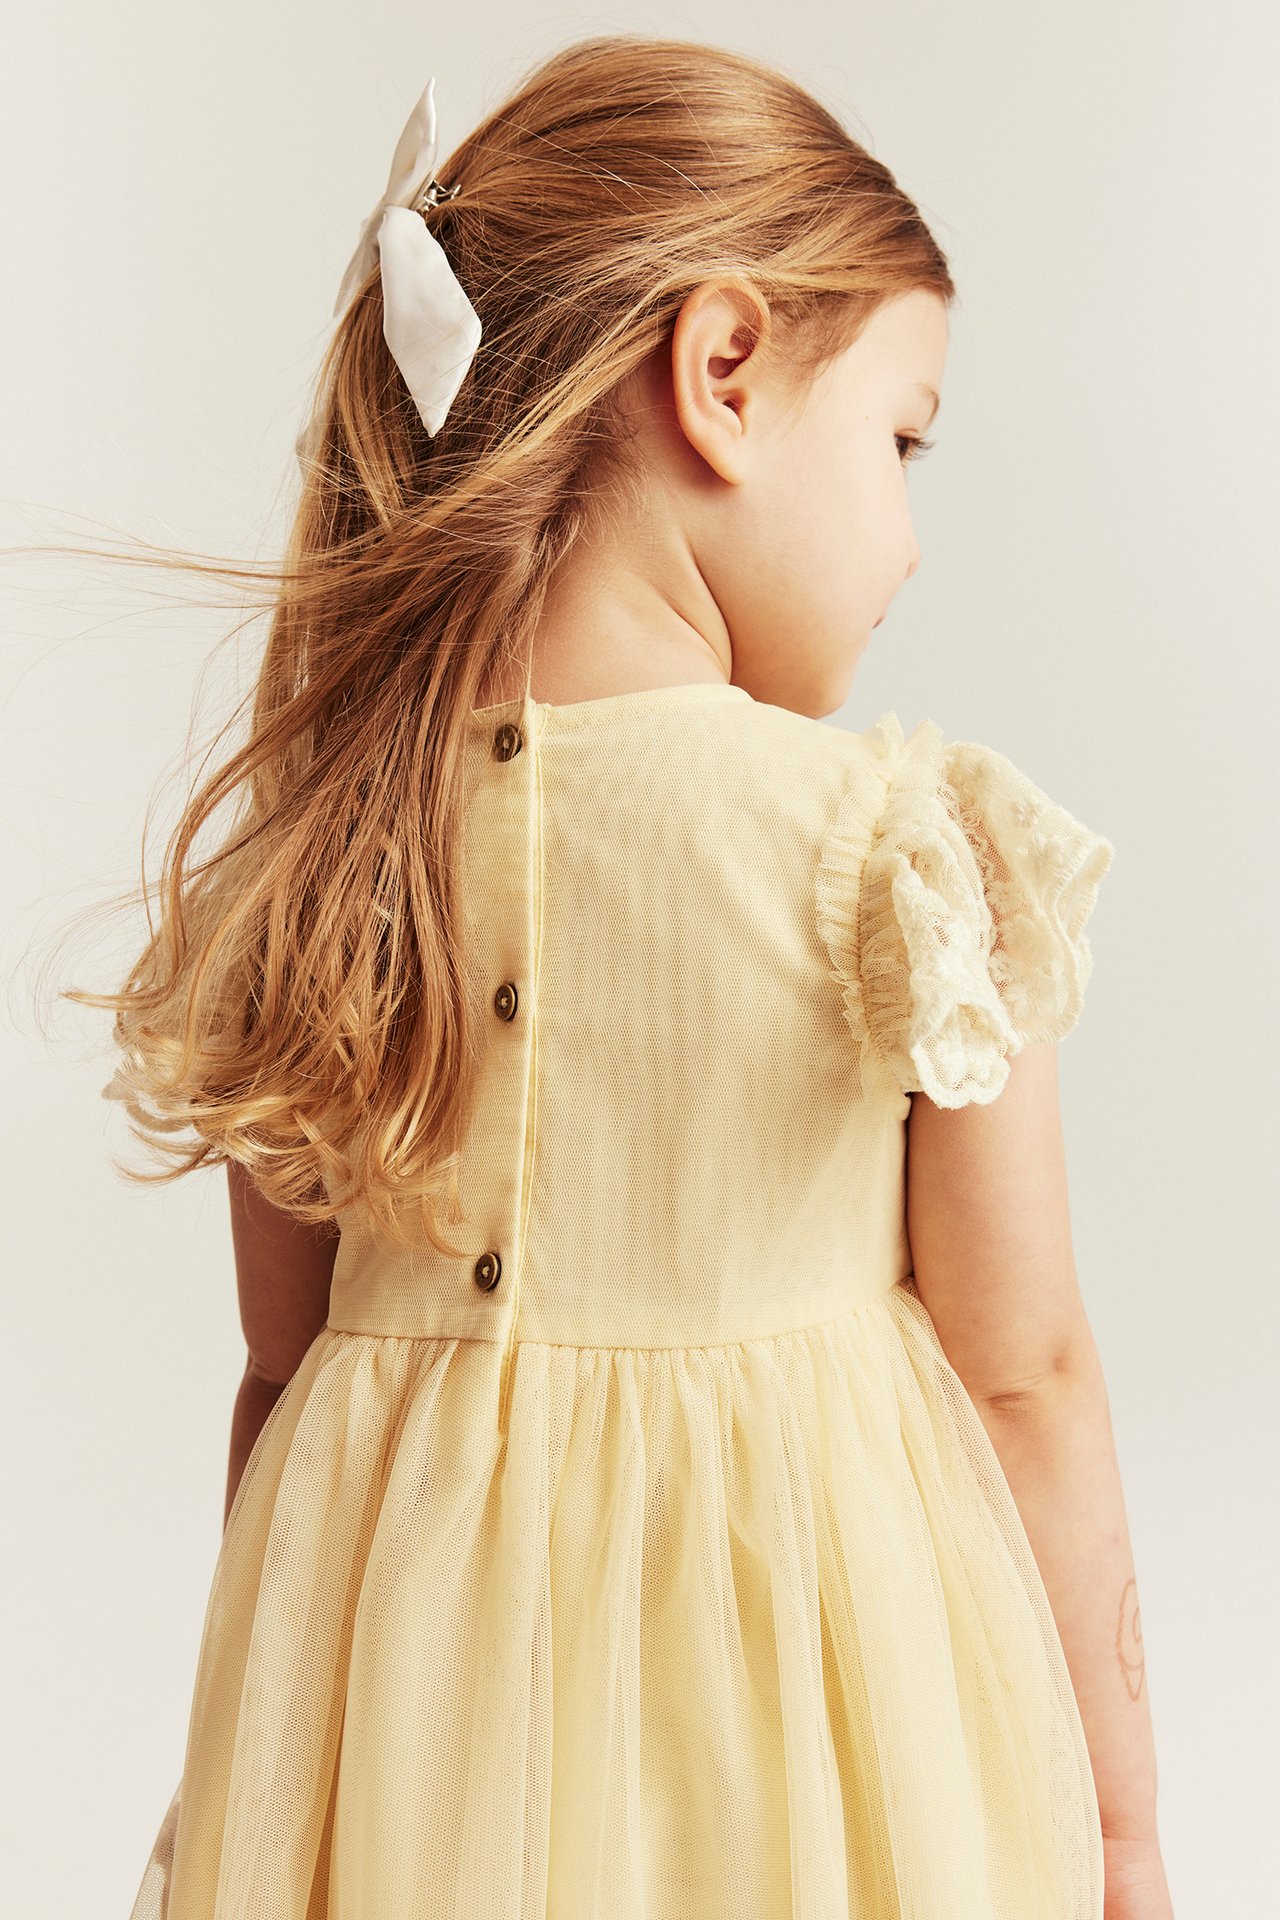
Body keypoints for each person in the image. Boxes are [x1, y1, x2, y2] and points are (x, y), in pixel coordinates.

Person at [79, 33, 1174, 1920]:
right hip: (812, 1743)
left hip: (400, 1734)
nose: (911, 536)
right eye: (902, 439)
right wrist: (1127, 1831)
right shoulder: (904, 858)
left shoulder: (329, 859)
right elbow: (1033, 1380)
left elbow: (278, 1386)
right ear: (725, 372)